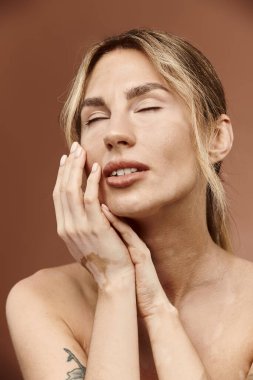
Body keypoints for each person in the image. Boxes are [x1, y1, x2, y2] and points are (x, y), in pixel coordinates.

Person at [5, 28, 253, 380]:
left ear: (216, 138)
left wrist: (157, 311)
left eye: (148, 107)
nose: (113, 133)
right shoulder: (40, 300)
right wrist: (116, 281)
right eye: (95, 119)